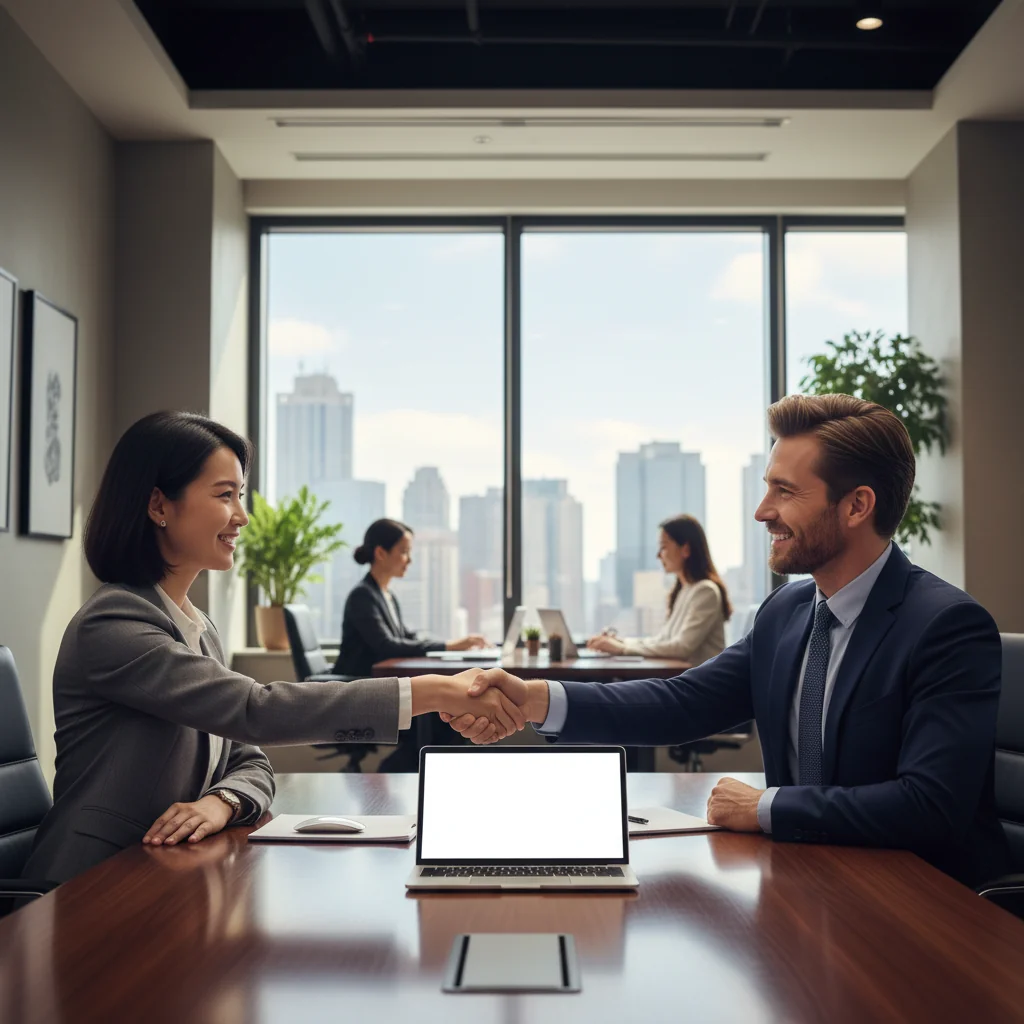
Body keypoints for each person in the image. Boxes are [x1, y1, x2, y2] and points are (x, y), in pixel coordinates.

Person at [446, 394, 1010, 887]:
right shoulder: (786, 611)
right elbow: (684, 702)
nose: (762, 511)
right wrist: (536, 699)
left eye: (784, 492)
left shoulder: (946, 627)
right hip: (809, 888)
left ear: (858, 505)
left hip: (925, 907)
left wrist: (766, 806)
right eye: (767, 487)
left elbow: (930, 807)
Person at [22, 412, 522, 885]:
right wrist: (432, 691)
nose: (241, 515)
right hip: (90, 885)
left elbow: (251, 760)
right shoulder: (114, 623)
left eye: (240, 495)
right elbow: (253, 711)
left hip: (160, 874)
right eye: (225, 495)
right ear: (158, 506)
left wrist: (222, 802)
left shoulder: (199, 627)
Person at [332, 518, 486, 677]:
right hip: (356, 685)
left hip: (378, 682)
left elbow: (406, 637)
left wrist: (451, 644)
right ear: (380, 553)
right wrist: (448, 646)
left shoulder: (387, 595)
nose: (410, 560)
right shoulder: (362, 596)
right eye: (404, 551)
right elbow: (387, 646)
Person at [587, 514, 729, 665]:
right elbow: (662, 641)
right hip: (685, 678)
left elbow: (682, 648)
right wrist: (620, 642)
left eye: (663, 547)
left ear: (685, 549)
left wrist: (622, 649)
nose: (658, 555)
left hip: (702, 684)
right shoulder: (685, 591)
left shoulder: (705, 591)